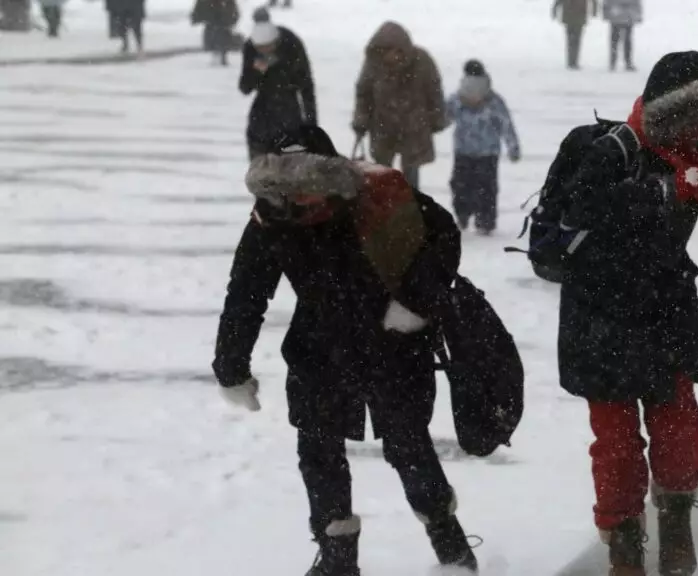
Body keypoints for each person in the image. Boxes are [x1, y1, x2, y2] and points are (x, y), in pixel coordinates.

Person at [213, 125, 479, 575]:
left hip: (356, 344)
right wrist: (411, 305)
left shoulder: (295, 209)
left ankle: (396, 551)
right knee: (387, 447)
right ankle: (440, 547)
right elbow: (443, 235)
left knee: (352, 450)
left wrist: (231, 366)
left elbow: (246, 293)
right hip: (365, 344)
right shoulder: (293, 210)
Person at [558, 51, 698, 576]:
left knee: (679, 431)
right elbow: (584, 213)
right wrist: (668, 190)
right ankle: (624, 546)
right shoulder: (614, 150)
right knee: (617, 441)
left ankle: (675, 527)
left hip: (665, 308)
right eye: (694, 116)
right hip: (600, 312)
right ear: (667, 109)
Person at [352, 21, 446, 190]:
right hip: (382, 128)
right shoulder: (373, 64)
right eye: (385, 51)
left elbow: (434, 90)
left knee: (411, 177)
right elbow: (363, 93)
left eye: (392, 50)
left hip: (414, 128)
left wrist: (436, 118)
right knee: (382, 176)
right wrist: (361, 121)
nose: (389, 56)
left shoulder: (421, 61)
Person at [445, 59, 521, 235]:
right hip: (486, 152)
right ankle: (484, 219)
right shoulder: (493, 100)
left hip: (465, 150)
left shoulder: (458, 98)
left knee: (461, 184)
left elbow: (443, 117)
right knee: (485, 186)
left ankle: (464, 214)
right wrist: (513, 147)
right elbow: (506, 125)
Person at [238, 8, 316, 160]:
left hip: (289, 110)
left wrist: (311, 124)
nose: (265, 51)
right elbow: (244, 87)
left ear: (277, 42)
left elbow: (307, 86)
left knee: (290, 161)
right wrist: (256, 72)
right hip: (262, 112)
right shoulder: (250, 47)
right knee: (261, 165)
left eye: (268, 47)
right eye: (260, 48)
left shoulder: (291, 43)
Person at [191, 0, 239, 66]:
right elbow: (234, 11)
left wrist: (231, 21)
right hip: (215, 24)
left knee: (221, 41)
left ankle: (220, 57)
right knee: (218, 41)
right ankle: (218, 57)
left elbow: (234, 11)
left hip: (221, 25)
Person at [551, 0, 598, 69]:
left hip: (572, 16)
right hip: (576, 16)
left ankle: (572, 61)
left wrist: (554, 10)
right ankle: (573, 61)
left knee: (572, 40)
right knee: (575, 40)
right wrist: (594, 11)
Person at [602, 0, 642, 71]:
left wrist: (606, 13)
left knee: (620, 40)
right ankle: (623, 62)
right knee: (623, 40)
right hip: (622, 15)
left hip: (621, 15)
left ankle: (616, 62)